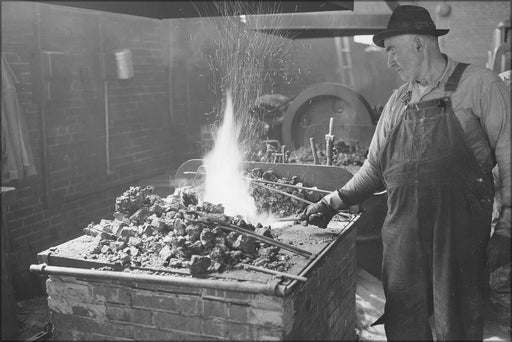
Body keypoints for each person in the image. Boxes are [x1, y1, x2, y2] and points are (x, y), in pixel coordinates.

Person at [301, 5, 510, 341]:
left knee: (455, 328)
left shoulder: (480, 86)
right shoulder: (398, 102)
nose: (389, 61)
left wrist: (507, 230)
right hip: (402, 244)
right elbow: (373, 170)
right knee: (404, 328)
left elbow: (510, 159)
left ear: (419, 43)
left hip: (455, 242)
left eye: (392, 50)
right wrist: (331, 202)